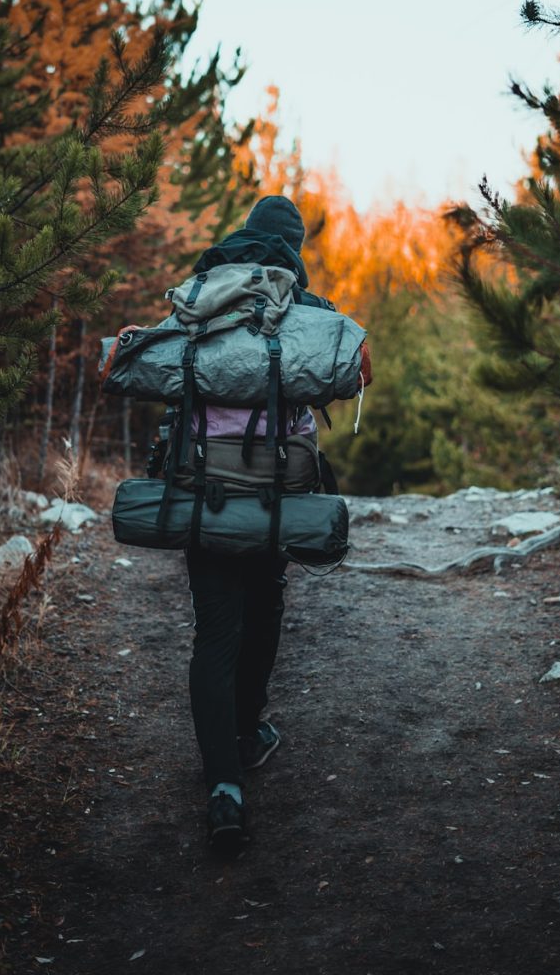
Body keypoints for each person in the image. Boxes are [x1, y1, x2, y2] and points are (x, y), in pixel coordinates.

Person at [182, 195, 371, 850]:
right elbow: (359, 371)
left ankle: (223, 787)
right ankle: (247, 731)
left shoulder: (200, 290)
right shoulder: (305, 310)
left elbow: (149, 359)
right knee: (263, 608)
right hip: (274, 489)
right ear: (294, 246)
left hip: (201, 482)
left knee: (214, 632)